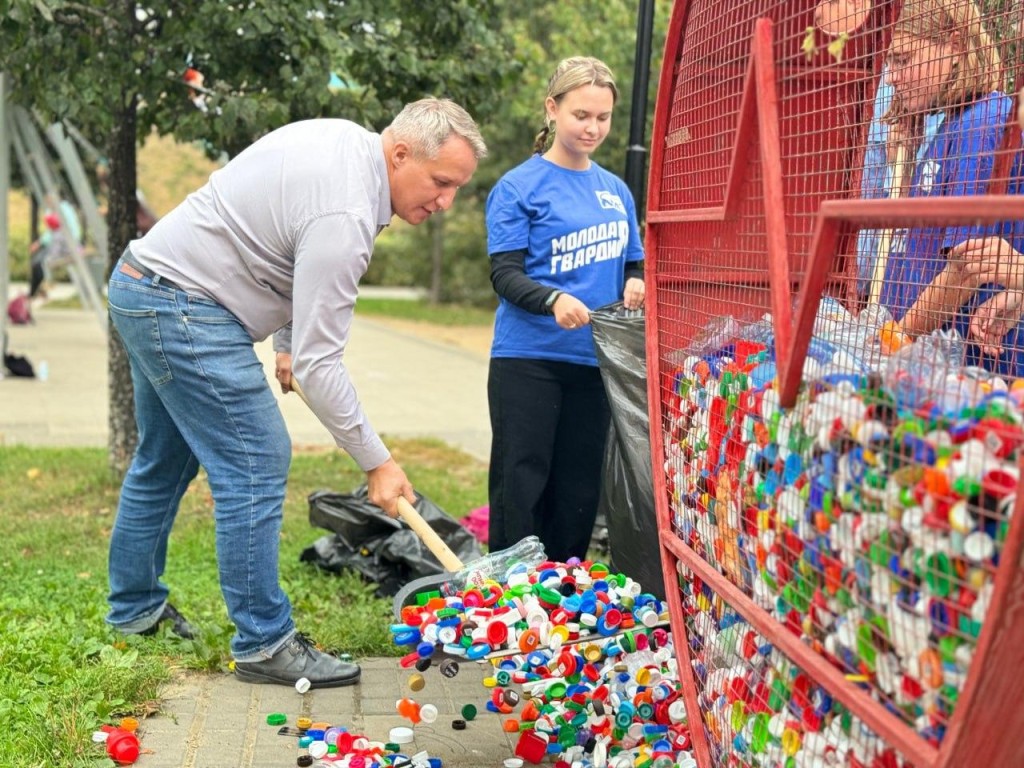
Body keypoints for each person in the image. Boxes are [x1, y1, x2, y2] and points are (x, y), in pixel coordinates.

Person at [106, 98, 486, 688]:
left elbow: (283, 245)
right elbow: (321, 364)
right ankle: (264, 641)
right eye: (440, 182)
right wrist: (377, 463)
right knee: (257, 459)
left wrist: (286, 339)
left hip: (145, 282)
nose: (445, 202)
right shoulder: (348, 214)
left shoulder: (345, 144)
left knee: (165, 458)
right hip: (184, 306)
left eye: (457, 187)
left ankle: (134, 613)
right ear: (401, 151)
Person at [485, 57, 645, 563]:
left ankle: (563, 596)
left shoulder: (616, 191)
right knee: (522, 483)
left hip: (594, 363)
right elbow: (504, 274)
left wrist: (635, 282)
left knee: (577, 494)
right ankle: (510, 603)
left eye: (602, 117)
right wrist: (552, 299)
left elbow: (634, 261)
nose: (592, 127)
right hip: (527, 360)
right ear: (552, 110)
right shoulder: (517, 187)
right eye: (581, 115)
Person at [876, 0, 1024, 375]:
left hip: (970, 372)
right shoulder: (951, 123)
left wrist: (898, 340)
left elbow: (965, 267)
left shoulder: (984, 123)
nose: (892, 76)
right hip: (929, 364)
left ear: (956, 46)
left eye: (904, 60)